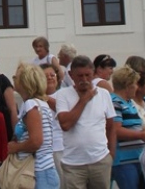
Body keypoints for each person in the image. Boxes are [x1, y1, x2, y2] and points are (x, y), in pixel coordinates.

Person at [55, 55, 116, 189]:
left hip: (100, 160)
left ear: (93, 73)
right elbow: (65, 124)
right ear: (71, 75)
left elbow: (111, 126)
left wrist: (111, 155)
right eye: (80, 76)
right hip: (73, 164)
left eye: (87, 75)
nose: (84, 80)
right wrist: (83, 100)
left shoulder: (104, 94)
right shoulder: (63, 95)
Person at [10, 62, 60, 189]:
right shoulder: (41, 103)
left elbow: (36, 141)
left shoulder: (31, 105)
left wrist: (15, 147)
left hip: (39, 173)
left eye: (17, 78)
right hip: (44, 171)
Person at [110, 66, 145, 189]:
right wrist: (141, 135)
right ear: (128, 86)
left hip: (136, 157)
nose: (137, 88)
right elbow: (116, 130)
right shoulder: (115, 102)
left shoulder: (129, 102)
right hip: (124, 160)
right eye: (135, 84)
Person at [41, 64, 65, 178]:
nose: (50, 78)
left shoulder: (63, 94)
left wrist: (42, 96)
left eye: (52, 75)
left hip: (60, 146)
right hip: (43, 150)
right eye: (46, 76)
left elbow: (59, 108)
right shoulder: (34, 100)